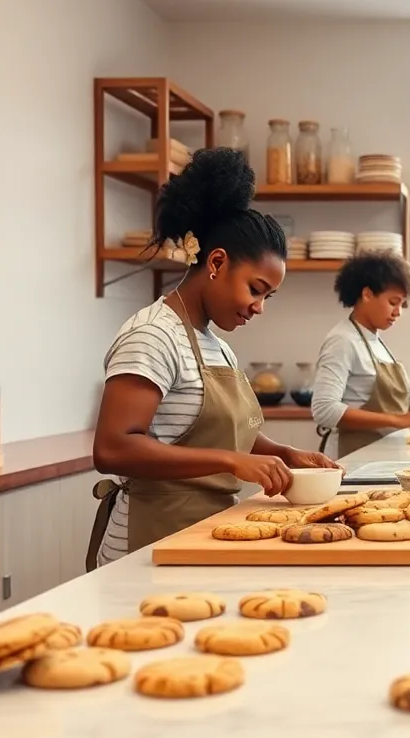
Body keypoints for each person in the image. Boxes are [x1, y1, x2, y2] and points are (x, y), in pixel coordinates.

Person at [88, 148, 339, 570]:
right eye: (256, 289)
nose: (259, 306)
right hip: (148, 541)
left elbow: (222, 432)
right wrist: (230, 461)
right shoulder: (152, 334)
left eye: (268, 297)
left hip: (202, 531)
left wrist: (283, 452)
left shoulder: (215, 344)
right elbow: (113, 448)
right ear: (217, 262)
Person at [312, 252, 410, 458]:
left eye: (402, 305)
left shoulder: (377, 342)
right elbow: (324, 410)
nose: (398, 312)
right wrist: (397, 420)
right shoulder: (343, 340)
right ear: (367, 294)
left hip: (382, 455)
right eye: (393, 302)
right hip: (352, 457)